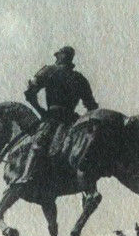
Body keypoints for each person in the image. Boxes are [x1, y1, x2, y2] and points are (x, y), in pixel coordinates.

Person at [20, 46, 98, 187]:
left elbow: (30, 93)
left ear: (60, 57)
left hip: (53, 118)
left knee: (38, 142)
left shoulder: (49, 71)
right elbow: (91, 106)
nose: (56, 58)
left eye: (58, 56)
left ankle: (26, 176)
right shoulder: (79, 78)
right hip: (73, 120)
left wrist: (41, 110)